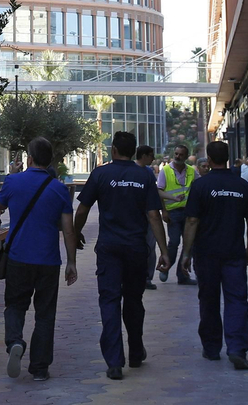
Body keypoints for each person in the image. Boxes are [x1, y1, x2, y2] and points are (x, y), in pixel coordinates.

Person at [74, 131, 171, 380]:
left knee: (109, 301)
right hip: (136, 248)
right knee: (134, 300)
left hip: (109, 248)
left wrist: (75, 234)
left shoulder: (100, 174)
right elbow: (153, 215)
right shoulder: (144, 176)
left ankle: (114, 362)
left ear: (113, 149)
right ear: (133, 150)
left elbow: (83, 208)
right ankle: (136, 351)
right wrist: (163, 250)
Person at [0, 136, 77, 382]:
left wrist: (12, 174)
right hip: (48, 260)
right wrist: (72, 262)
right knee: (45, 313)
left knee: (15, 305)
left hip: (19, 257)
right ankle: (40, 367)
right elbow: (68, 229)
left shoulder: (13, 182)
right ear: (49, 160)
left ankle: (14, 342)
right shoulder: (59, 189)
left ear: (29, 158)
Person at [178, 139, 248, 370]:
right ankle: (237, 349)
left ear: (210, 159)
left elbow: (192, 220)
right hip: (234, 252)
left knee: (209, 300)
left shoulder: (201, 186)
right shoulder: (242, 185)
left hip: (206, 253)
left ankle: (212, 347)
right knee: (237, 300)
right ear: (226, 158)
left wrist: (186, 253)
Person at [157, 144, 197, 286]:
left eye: (181, 154)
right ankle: (167, 266)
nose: (178, 157)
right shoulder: (165, 171)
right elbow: (159, 191)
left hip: (188, 214)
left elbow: (198, 188)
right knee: (174, 243)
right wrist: (164, 211)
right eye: (176, 154)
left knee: (189, 245)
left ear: (186, 157)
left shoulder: (192, 171)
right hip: (173, 213)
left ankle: (182, 276)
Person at [133, 146, 160, 290]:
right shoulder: (140, 172)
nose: (153, 158)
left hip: (145, 215)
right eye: (151, 155)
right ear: (144, 155)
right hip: (141, 215)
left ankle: (146, 277)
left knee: (149, 246)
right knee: (145, 245)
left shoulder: (148, 172)